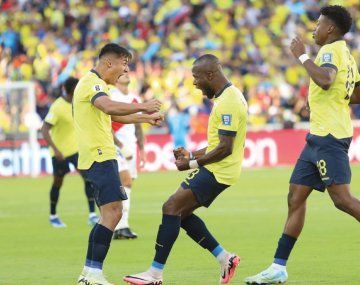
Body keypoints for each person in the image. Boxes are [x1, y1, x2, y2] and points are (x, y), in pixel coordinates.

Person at [245, 5, 360, 284]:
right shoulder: (346, 54)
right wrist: (328, 101)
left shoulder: (331, 51)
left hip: (329, 137)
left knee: (342, 200)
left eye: (318, 24)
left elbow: (325, 78)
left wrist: (302, 56)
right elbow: (354, 93)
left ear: (330, 29)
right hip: (317, 137)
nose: (314, 29)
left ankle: (278, 267)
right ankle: (278, 268)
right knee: (295, 197)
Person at [124, 54, 248, 285]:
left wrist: (191, 164)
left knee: (171, 207)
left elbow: (225, 148)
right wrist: (191, 154)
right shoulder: (226, 97)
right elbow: (217, 144)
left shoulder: (229, 101)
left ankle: (154, 274)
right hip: (219, 168)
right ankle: (225, 258)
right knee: (180, 213)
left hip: (219, 170)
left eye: (196, 77)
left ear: (210, 75)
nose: (194, 82)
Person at [73, 43, 163, 285]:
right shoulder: (92, 83)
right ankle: (92, 273)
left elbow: (113, 115)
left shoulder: (98, 85)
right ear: (109, 62)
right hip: (100, 155)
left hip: (101, 155)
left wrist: (145, 117)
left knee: (108, 215)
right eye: (124, 64)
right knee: (113, 213)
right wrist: (144, 105)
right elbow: (108, 106)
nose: (125, 70)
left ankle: (89, 273)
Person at [42, 77, 98, 228]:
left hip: (76, 150)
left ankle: (92, 214)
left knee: (88, 179)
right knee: (58, 182)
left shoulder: (78, 103)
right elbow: (44, 129)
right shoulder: (57, 107)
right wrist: (55, 149)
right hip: (60, 152)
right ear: (72, 89)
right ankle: (53, 215)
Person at [109, 73, 146, 239]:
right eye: (121, 72)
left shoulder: (135, 99)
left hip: (131, 147)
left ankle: (120, 226)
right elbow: (106, 125)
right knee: (126, 182)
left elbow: (138, 127)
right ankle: (120, 226)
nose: (125, 73)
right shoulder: (111, 96)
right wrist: (120, 146)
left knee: (126, 187)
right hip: (115, 146)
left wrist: (142, 150)